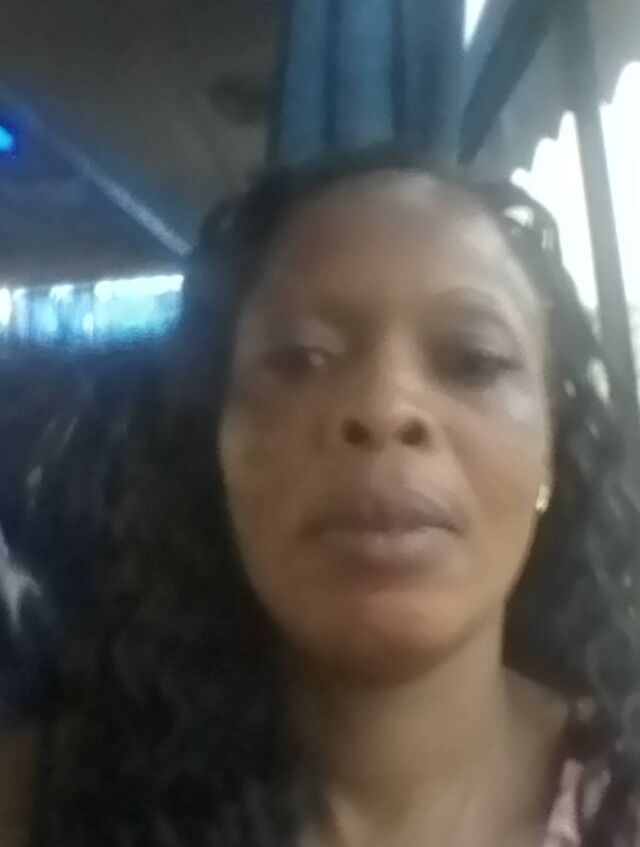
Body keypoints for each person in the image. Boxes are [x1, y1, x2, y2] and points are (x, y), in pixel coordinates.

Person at [5, 146, 640, 847]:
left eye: (473, 361)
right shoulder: (41, 806)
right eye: (303, 359)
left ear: (551, 450)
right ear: (213, 442)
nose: (385, 406)